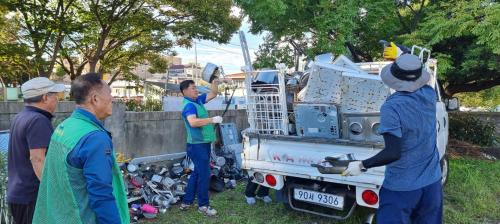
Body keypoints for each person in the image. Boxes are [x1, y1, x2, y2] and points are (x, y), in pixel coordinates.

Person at [343, 54, 443, 224]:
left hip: (401, 188)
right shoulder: (429, 94)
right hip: (432, 183)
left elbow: (392, 152)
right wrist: (404, 55)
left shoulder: (392, 107)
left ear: (393, 80)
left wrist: (361, 165)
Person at [33, 73, 129, 224]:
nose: (112, 99)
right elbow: (101, 195)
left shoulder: (65, 126)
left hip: (60, 215)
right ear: (95, 99)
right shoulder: (95, 138)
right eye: (110, 93)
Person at [7, 77, 65, 224]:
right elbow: (37, 159)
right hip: (31, 196)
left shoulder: (21, 117)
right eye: (55, 96)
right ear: (45, 97)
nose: (57, 100)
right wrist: (54, 190)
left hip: (19, 193)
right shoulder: (38, 120)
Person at [179, 78, 222, 216]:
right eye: (193, 88)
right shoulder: (189, 106)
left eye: (196, 87)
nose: (196, 90)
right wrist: (212, 120)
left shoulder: (197, 101)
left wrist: (215, 82)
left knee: (197, 172)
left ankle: (187, 201)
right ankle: (203, 205)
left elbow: (213, 94)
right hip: (196, 146)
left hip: (203, 144)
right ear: (184, 91)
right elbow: (192, 122)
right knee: (204, 175)